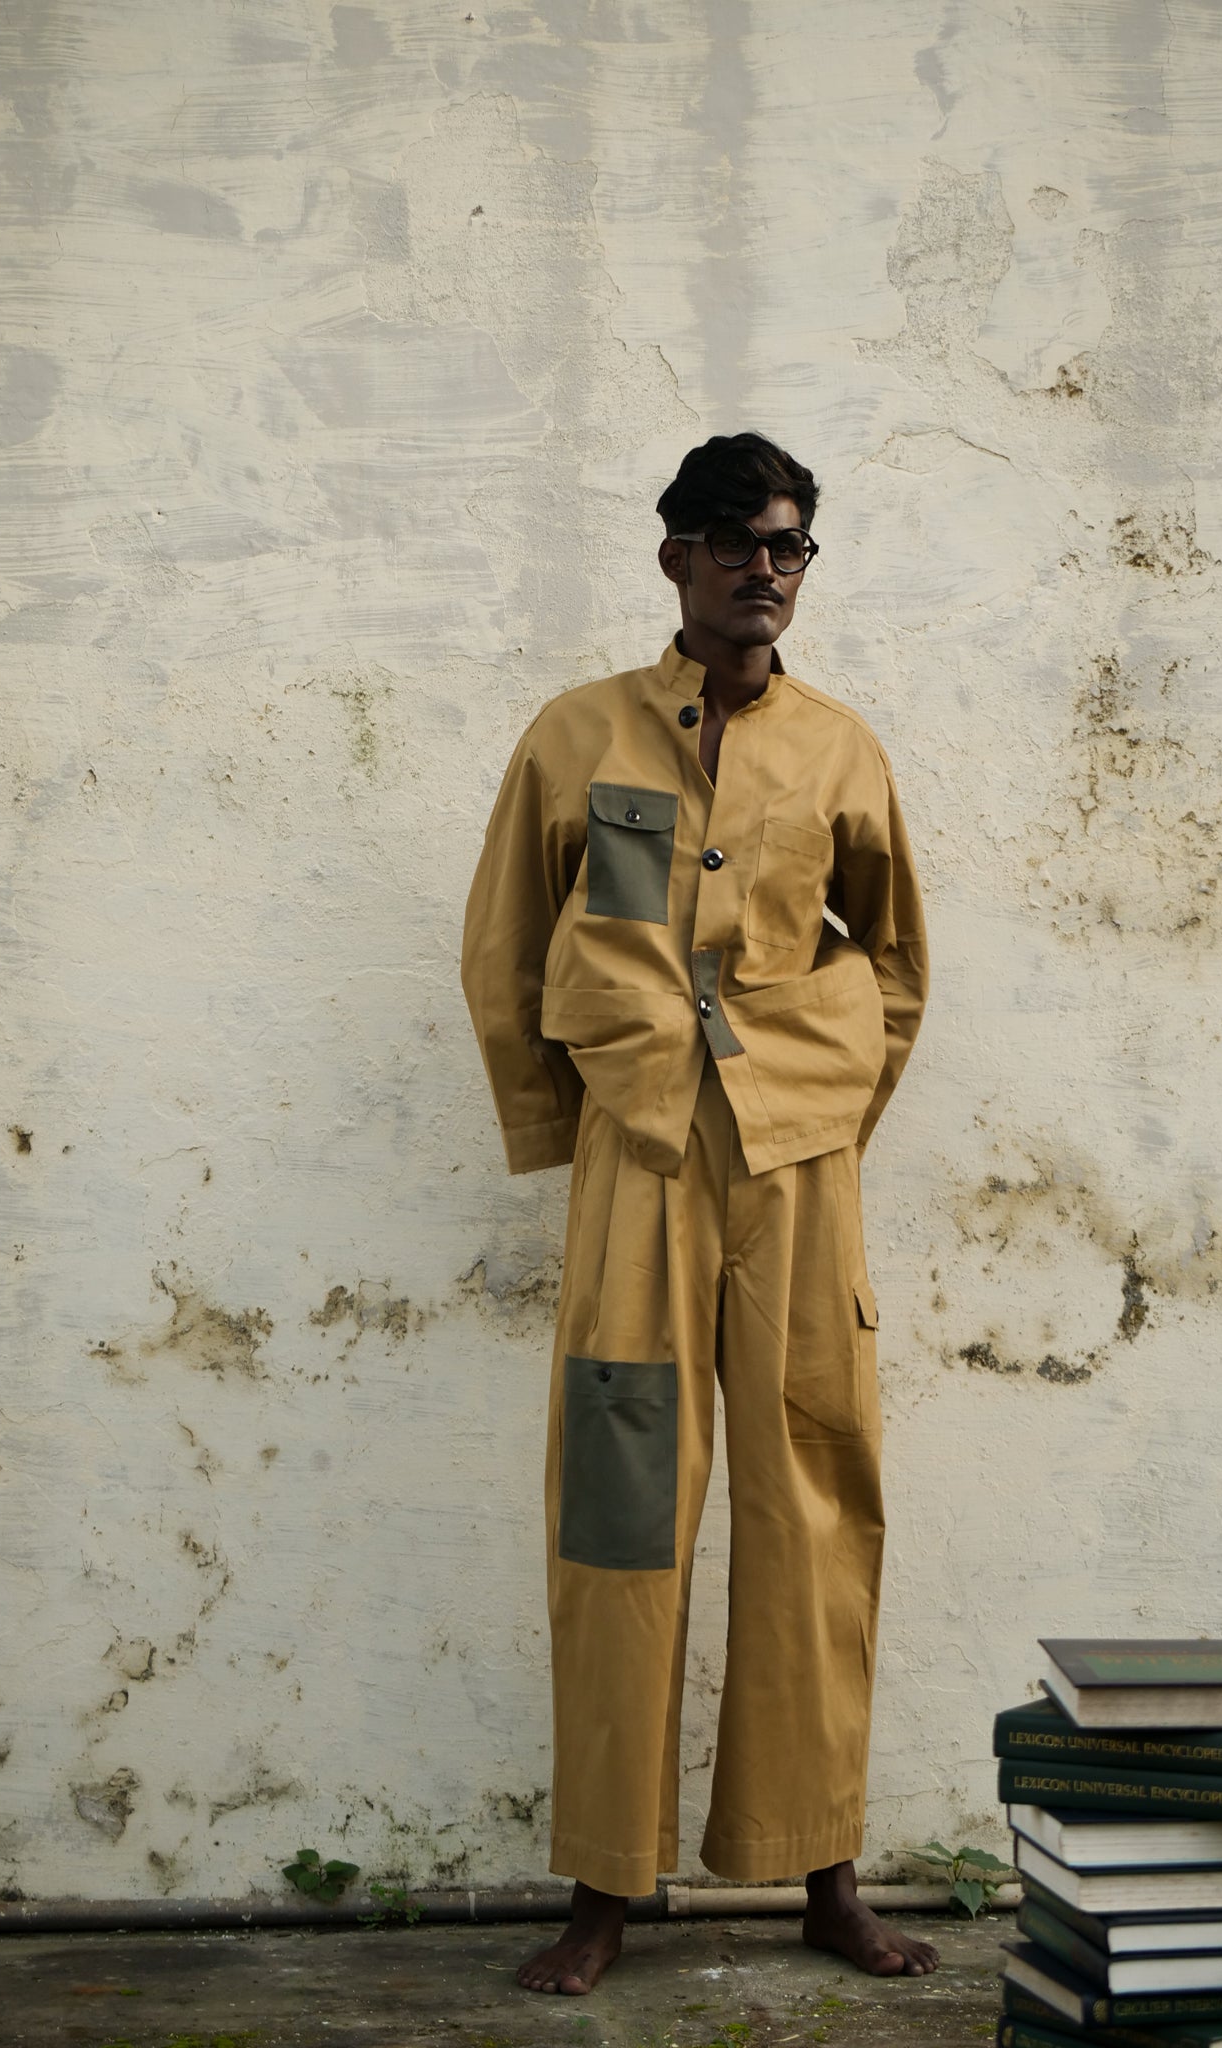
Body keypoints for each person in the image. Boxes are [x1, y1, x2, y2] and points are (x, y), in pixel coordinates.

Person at [461, 432, 932, 1995]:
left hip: (794, 1170)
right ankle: (606, 1887)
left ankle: (824, 1874)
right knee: (618, 1505)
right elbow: (507, 944)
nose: (763, 567)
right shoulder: (576, 737)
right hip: (640, 1160)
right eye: (732, 541)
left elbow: (900, 962)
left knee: (813, 1502)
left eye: (788, 544)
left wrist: (831, 1117)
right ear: (673, 557)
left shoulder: (843, 750)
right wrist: (565, 1122)